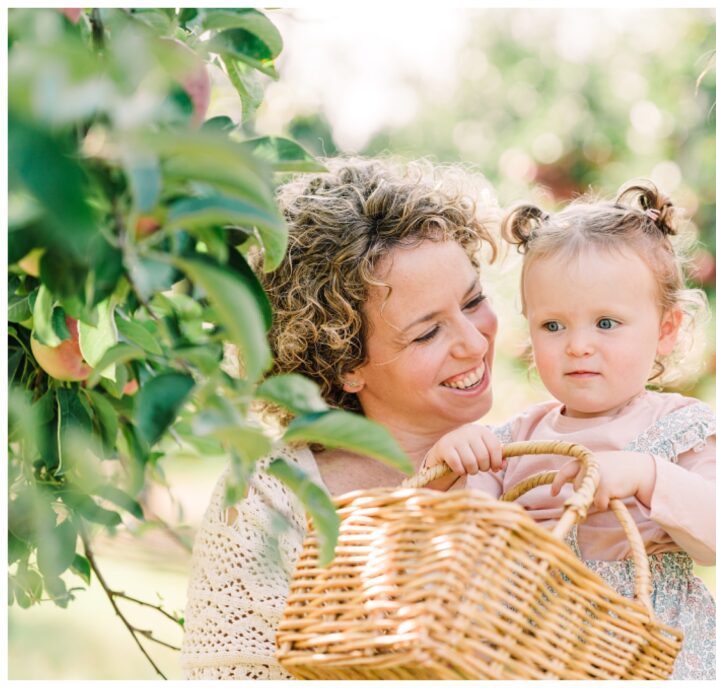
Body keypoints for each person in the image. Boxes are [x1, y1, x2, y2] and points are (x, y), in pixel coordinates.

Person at [180, 156, 500, 679]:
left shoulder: (521, 461)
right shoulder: (268, 499)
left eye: (474, 301)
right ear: (344, 364)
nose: (473, 341)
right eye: (426, 333)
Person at [423, 180, 716, 680]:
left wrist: (648, 476)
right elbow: (467, 542)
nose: (578, 345)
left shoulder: (676, 428)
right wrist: (452, 462)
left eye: (605, 323)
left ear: (666, 329)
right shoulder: (517, 439)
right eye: (553, 326)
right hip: (545, 655)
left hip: (650, 654)